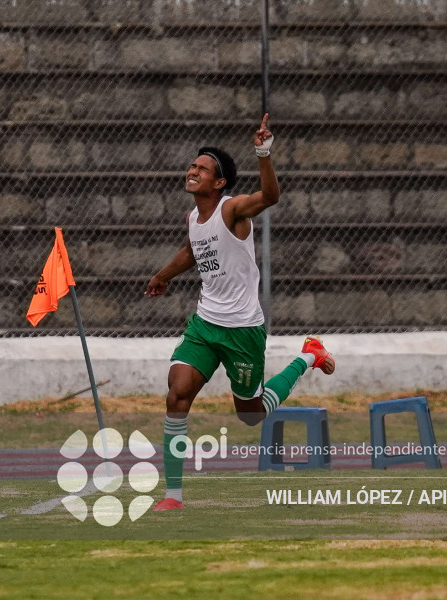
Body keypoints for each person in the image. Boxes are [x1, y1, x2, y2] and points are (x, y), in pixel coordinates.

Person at [144, 114, 335, 511]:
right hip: (204, 325)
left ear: (219, 183)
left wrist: (263, 153)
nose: (193, 170)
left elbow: (270, 197)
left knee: (251, 415)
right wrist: (163, 275)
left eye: (202, 169)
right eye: (192, 165)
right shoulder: (193, 218)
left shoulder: (231, 209)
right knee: (177, 395)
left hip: (242, 330)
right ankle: (173, 496)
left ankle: (308, 356)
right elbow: (191, 250)